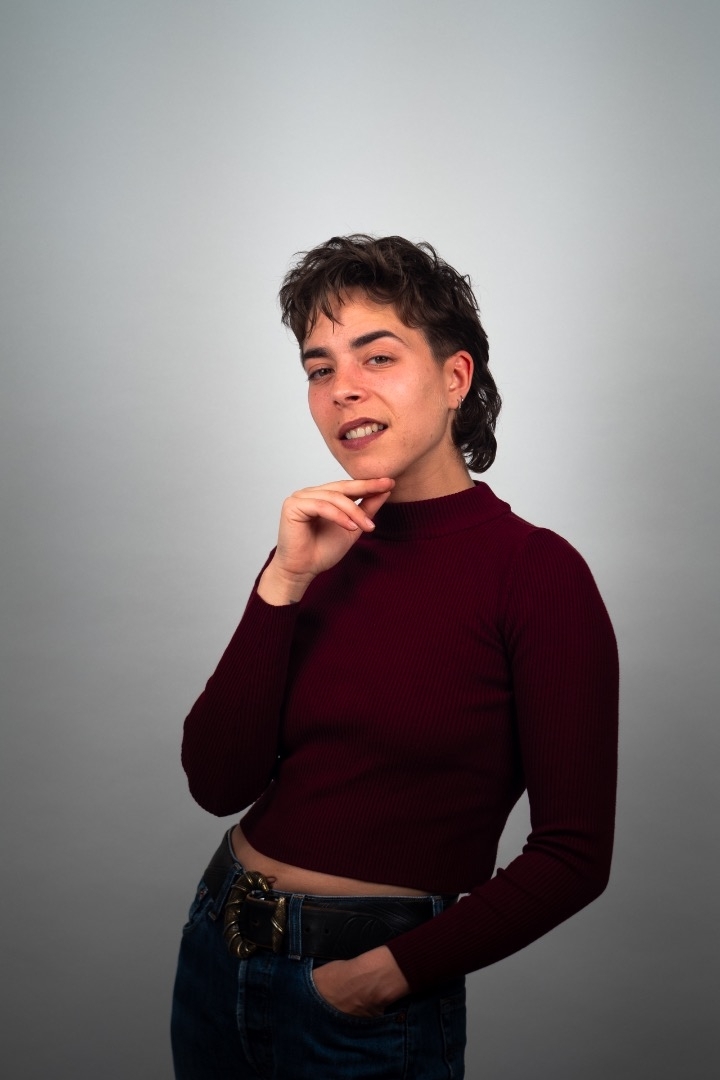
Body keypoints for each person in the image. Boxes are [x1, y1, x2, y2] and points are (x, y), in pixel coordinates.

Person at [171, 235, 618, 1079]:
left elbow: (574, 856)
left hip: (359, 1004)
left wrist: (379, 979)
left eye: (377, 356)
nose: (343, 387)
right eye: (319, 368)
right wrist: (283, 583)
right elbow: (216, 783)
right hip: (216, 953)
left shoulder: (537, 574)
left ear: (455, 378)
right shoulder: (313, 548)